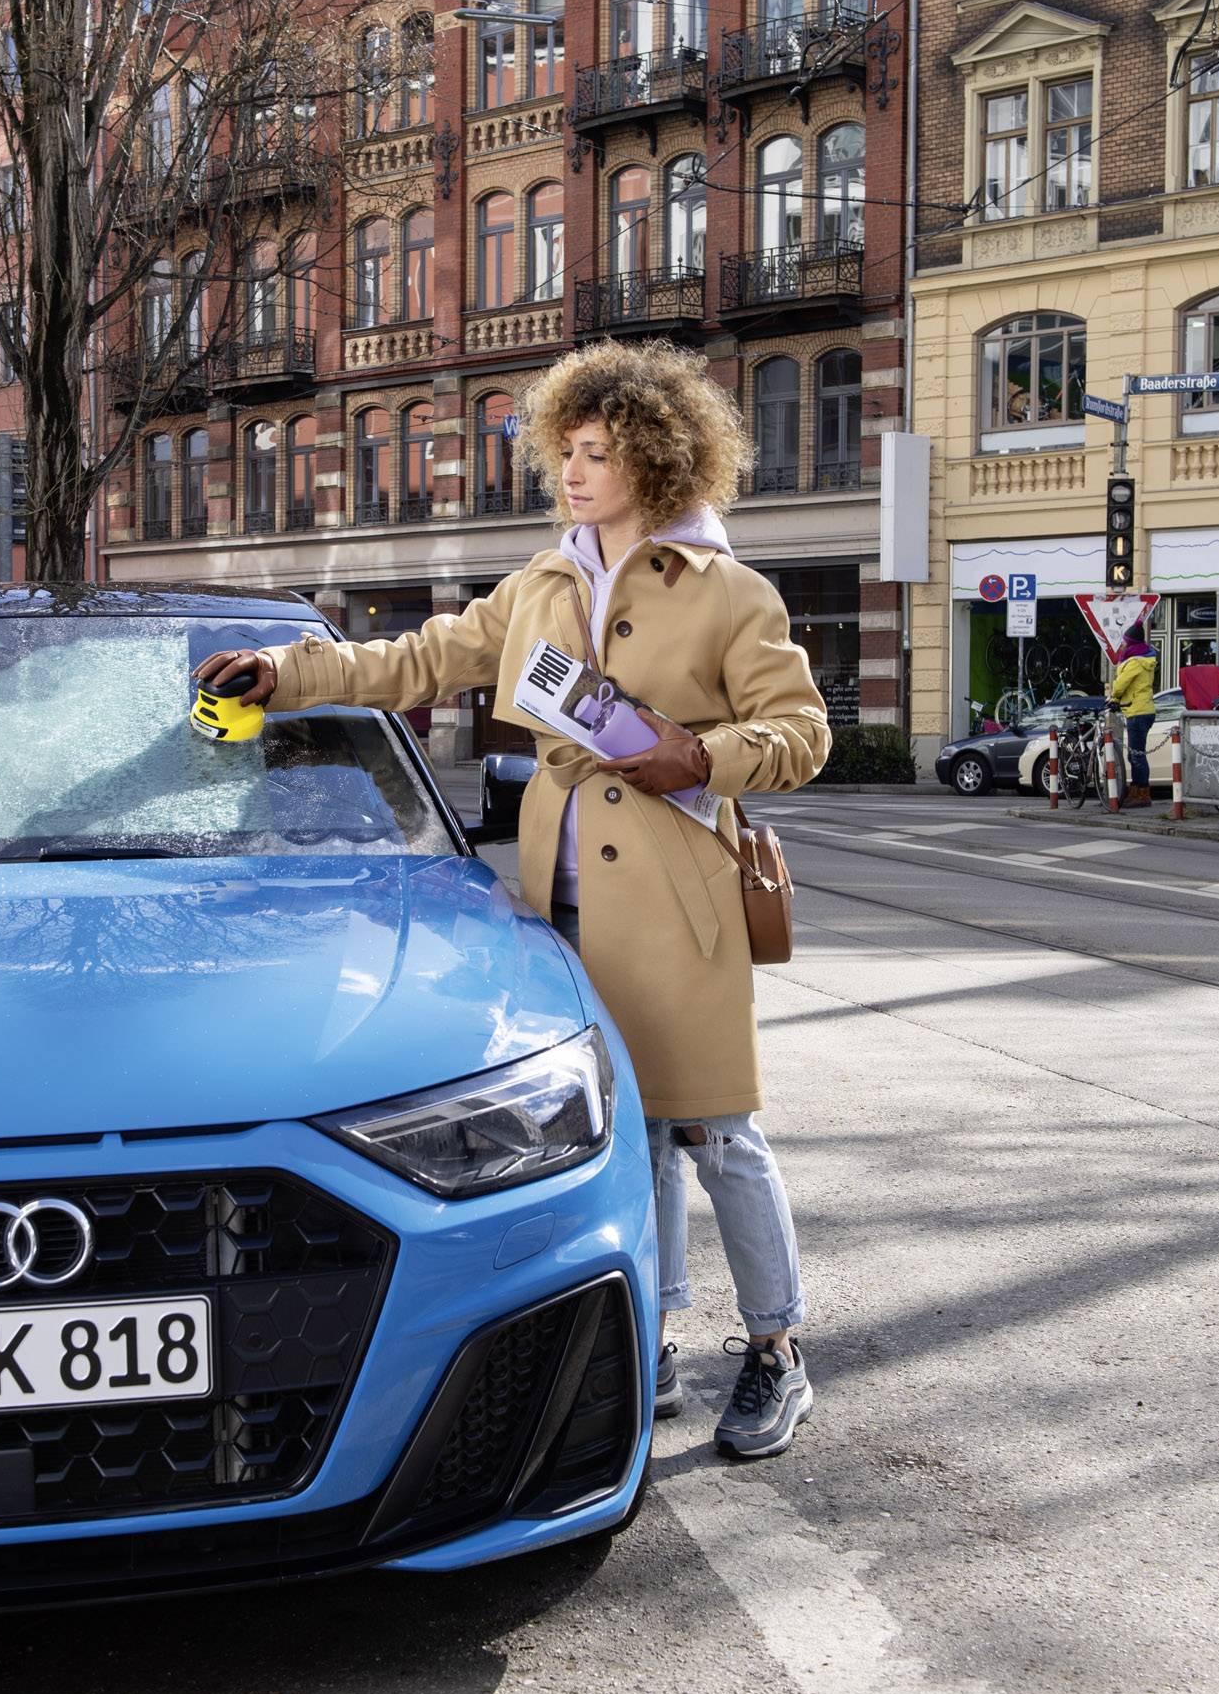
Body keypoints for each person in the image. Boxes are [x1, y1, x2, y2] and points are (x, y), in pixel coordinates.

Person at [198, 339, 832, 1460]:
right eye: (568, 452)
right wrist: (286, 671)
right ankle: (657, 1341)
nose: (576, 473)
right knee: (625, 1134)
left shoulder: (731, 592)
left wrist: (702, 756)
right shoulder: (539, 584)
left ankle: (777, 1351)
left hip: (683, 897)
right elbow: (415, 660)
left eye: (600, 453)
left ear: (657, 455)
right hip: (558, 907)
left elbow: (802, 735)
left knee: (716, 1129)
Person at [1110, 627, 1157, 807]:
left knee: (1137, 755)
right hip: (1141, 709)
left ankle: (1142, 795)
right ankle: (1136, 790)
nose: (1122, 644)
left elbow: (1121, 684)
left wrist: (1113, 697)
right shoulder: (1142, 658)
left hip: (1138, 711)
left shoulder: (1135, 662)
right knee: (1134, 754)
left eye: (1124, 641)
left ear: (1131, 642)